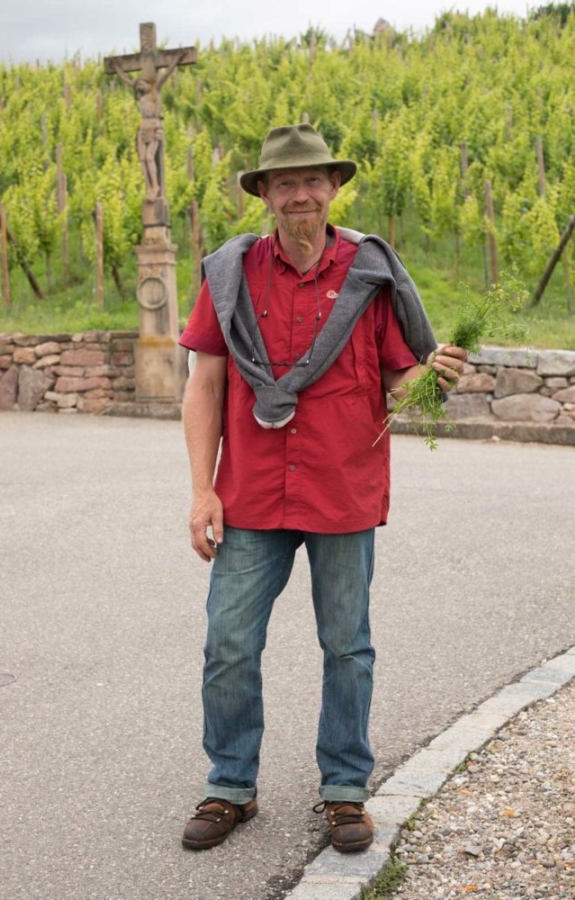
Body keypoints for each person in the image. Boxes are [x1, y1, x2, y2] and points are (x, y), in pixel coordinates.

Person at [178, 123, 466, 854]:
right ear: (265, 195)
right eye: (284, 183)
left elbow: (398, 374)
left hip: (342, 491)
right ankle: (230, 784)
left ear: (334, 188)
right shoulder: (229, 273)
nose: (299, 194)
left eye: (312, 181)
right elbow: (205, 383)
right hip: (250, 493)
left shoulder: (370, 271)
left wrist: (428, 381)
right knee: (229, 643)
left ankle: (344, 790)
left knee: (347, 648)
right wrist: (201, 490)